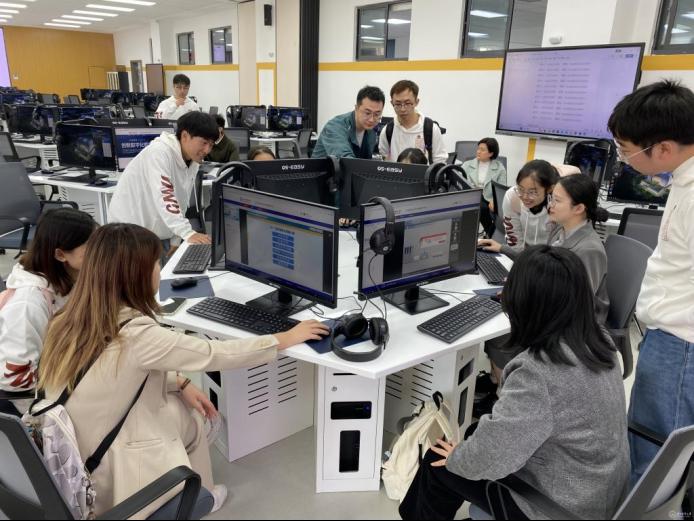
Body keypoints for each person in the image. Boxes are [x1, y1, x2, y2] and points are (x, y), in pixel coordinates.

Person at [37, 223, 330, 517]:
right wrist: (284, 338)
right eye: (157, 263)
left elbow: (111, 375)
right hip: (107, 466)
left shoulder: (68, 316)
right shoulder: (137, 334)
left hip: (73, 447)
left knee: (183, 409)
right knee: (190, 418)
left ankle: (204, 493)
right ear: (137, 275)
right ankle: (200, 498)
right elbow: (214, 354)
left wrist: (180, 383)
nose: (160, 270)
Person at [399, 245, 630, 520]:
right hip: (598, 489)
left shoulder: (538, 374)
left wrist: (456, 458)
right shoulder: (598, 338)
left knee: (437, 461)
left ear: (525, 303)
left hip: (559, 508)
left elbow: (488, 458)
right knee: (474, 432)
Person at [607, 80, 694, 484]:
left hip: (681, 345)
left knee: (654, 457)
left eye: (625, 148)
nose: (622, 158)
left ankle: (651, 510)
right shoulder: (682, 179)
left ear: (662, 148)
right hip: (671, 338)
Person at [480, 173, 610, 382]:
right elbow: (543, 265)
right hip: (551, 308)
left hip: (572, 325)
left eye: (557, 200)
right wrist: (503, 249)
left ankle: (508, 392)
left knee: (500, 336)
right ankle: (499, 382)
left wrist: (527, 300)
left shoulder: (589, 249)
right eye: (551, 198)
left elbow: (578, 304)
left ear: (579, 208)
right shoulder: (560, 229)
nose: (550, 205)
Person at [0, 208, 97, 416]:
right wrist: (49, 417)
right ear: (60, 255)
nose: (100, 254)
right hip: (29, 404)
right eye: (91, 247)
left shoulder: (67, 277)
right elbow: (15, 381)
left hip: (59, 373)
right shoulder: (28, 303)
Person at [108, 111, 217, 257]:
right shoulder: (159, 153)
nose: (207, 150)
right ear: (185, 136)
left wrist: (176, 237)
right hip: (130, 236)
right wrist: (187, 233)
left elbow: (181, 199)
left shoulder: (192, 161)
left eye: (211, 145)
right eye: (204, 143)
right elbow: (165, 195)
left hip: (156, 232)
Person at [495, 159, 560, 257]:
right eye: (520, 189)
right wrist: (520, 260)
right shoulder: (513, 197)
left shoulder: (558, 204)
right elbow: (514, 238)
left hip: (551, 257)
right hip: (524, 253)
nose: (525, 197)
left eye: (532, 192)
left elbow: (561, 243)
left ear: (550, 189)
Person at [379, 80, 447, 165]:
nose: (403, 109)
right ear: (392, 103)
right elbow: (384, 161)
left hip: (424, 174)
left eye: (407, 103)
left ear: (416, 102)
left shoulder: (431, 129)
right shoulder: (388, 131)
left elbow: (440, 162)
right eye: (398, 104)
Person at [312, 85, 385, 160]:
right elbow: (345, 159)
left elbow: (366, 160)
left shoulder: (371, 130)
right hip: (325, 168)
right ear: (356, 108)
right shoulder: (335, 126)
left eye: (377, 114)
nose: (371, 119)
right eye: (367, 113)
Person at [461, 138, 507, 238]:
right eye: (478, 148)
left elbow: (501, 189)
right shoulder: (467, 165)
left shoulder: (499, 168)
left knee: (483, 206)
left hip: (489, 199)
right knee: (481, 206)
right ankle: (490, 234)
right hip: (470, 196)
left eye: (482, 150)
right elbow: (460, 183)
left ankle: (489, 234)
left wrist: (495, 200)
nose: (478, 151)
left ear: (491, 153)